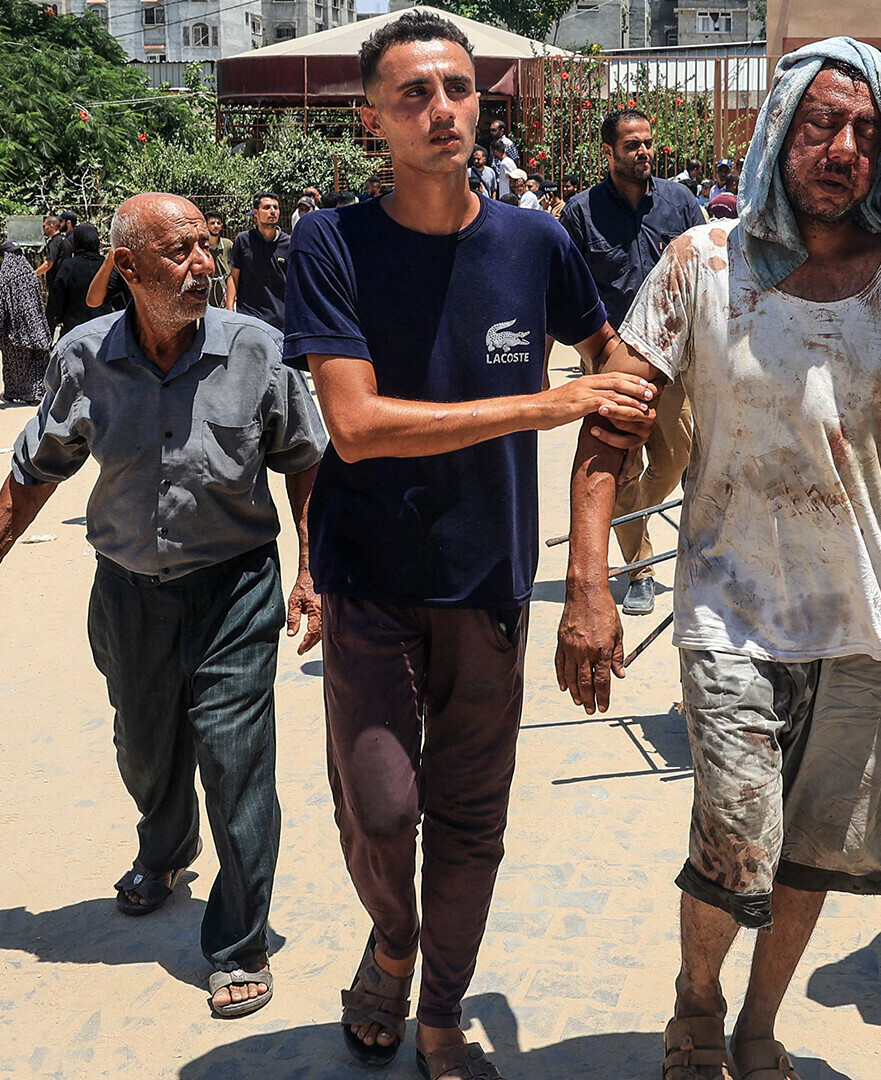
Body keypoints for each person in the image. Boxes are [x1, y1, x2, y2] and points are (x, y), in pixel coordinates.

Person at [558, 37, 881, 1080]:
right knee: (738, 832)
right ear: (779, 135)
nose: (842, 148)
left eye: (864, 131)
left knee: (814, 853)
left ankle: (759, 1025)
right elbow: (610, 427)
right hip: (730, 609)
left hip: (863, 618)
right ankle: (696, 1001)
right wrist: (589, 587)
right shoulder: (700, 267)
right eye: (821, 124)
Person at [278, 13, 655, 1078]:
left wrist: (590, 562)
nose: (440, 110)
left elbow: (612, 364)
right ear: (372, 121)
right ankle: (393, 938)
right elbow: (354, 424)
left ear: (480, 104)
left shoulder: (535, 241)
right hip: (367, 579)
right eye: (413, 95)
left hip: (491, 583)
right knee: (383, 810)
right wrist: (545, 405)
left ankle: (438, 1009)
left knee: (473, 821)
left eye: (456, 89)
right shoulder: (330, 243)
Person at [0, 191, 327, 1022]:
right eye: (178, 250)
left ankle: (237, 942)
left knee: (234, 758)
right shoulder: (83, 358)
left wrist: (312, 569)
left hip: (234, 586)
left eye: (205, 245)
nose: (201, 264)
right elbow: (35, 467)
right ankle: (165, 849)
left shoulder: (257, 351)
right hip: (126, 593)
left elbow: (306, 460)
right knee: (145, 750)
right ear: (126, 269)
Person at [558, 107, 708, 618]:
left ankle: (629, 513)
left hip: (674, 362)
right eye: (632, 145)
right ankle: (638, 566)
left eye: (647, 143)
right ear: (609, 153)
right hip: (611, 363)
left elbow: (711, 269)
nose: (644, 152)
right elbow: (565, 292)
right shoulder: (581, 214)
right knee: (620, 462)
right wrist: (590, 357)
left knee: (675, 459)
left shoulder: (681, 204)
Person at [0, 239, 52, 404]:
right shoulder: (29, 273)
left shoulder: (7, 275)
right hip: (35, 324)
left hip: (16, 327)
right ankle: (37, 393)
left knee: (15, 362)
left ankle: (15, 392)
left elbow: (3, 304)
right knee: (36, 358)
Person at [228, 193, 291, 329]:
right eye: (267, 207)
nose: (272, 211)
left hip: (280, 320)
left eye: (276, 207)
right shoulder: (243, 240)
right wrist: (230, 311)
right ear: (255, 213)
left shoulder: (289, 243)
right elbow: (233, 277)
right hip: (249, 318)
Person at [52, 223, 125, 335]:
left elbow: (57, 298)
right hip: (103, 329)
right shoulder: (106, 266)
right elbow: (119, 301)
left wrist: (56, 321)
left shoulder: (68, 266)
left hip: (74, 330)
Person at [205, 210, 232, 309]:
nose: (215, 226)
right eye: (212, 223)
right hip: (207, 294)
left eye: (218, 223)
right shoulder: (202, 246)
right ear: (206, 225)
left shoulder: (227, 245)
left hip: (225, 293)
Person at [35, 212, 68, 283]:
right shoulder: (65, 240)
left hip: (57, 282)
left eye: (44, 226)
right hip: (66, 280)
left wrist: (34, 274)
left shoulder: (54, 242)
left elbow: (48, 264)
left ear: (51, 226)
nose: (43, 229)